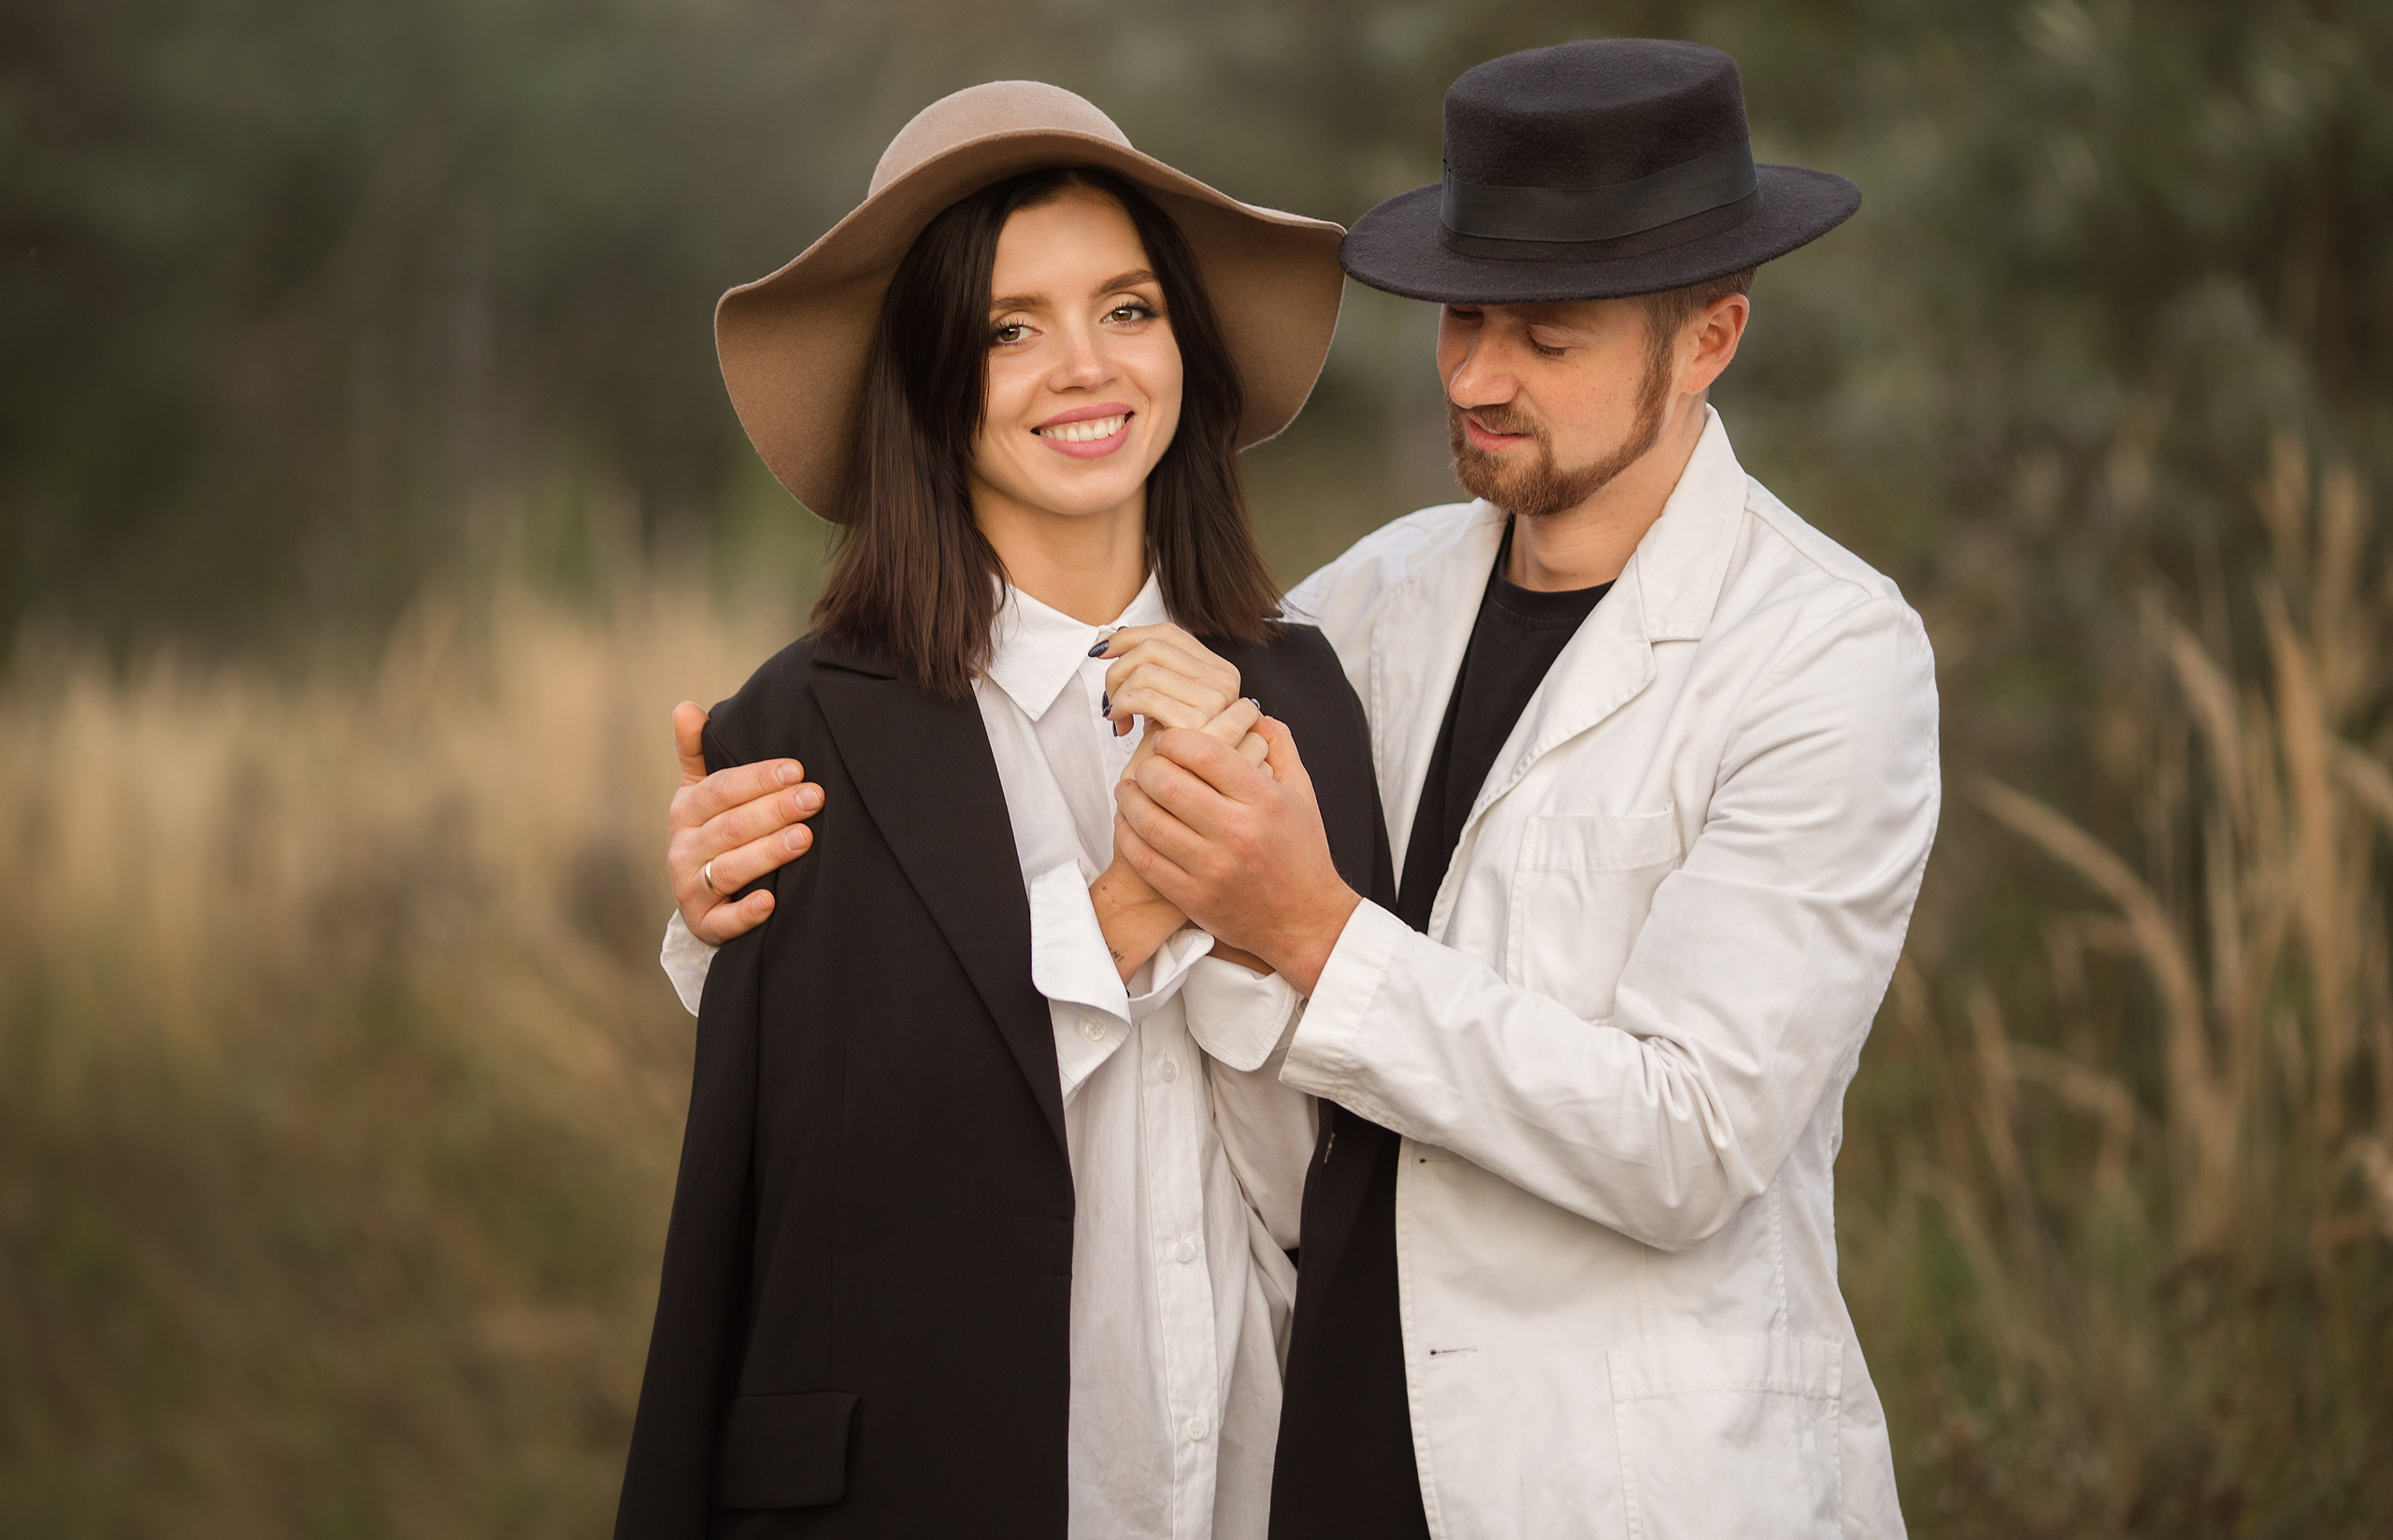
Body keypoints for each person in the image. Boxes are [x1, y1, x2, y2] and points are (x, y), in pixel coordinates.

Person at [681, 38, 1940, 1539]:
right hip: (1336, 1450)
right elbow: (878, 1012)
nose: (1476, 373)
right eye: (1464, 316)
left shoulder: (1825, 655)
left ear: (1711, 337)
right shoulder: (1360, 617)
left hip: (1639, 1479)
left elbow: (1689, 1139)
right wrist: (718, 918)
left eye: (1549, 338)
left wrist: (1303, 927)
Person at [617, 82, 1393, 1540]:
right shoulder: (801, 726)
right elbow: (842, 1173)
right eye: (1007, 328)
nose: (1082, 371)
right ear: (928, 374)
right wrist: (1141, 898)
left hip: (1254, 1467)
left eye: (1129, 310)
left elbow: (1345, 1196)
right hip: (931, 1477)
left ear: (1186, 347)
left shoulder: (1297, 696)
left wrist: (1250, 910)